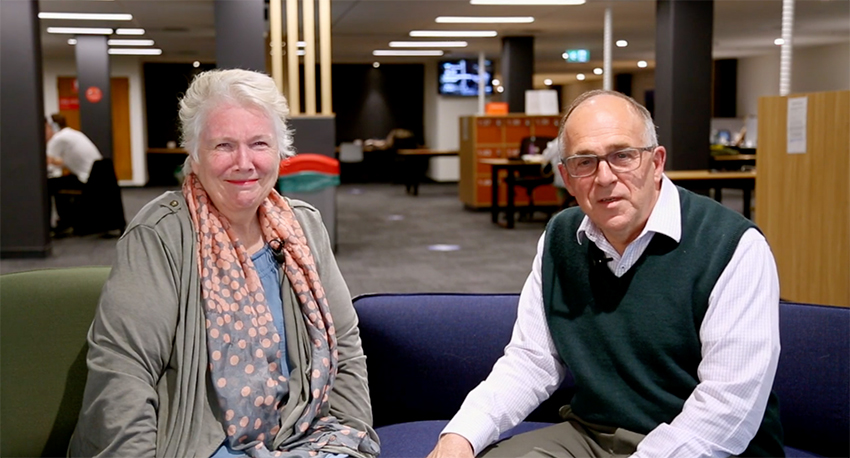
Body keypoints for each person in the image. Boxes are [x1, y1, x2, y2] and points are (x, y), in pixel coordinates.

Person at [427, 90, 783, 458]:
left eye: (623, 155)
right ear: (565, 176)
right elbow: (531, 360)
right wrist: (460, 436)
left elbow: (729, 408)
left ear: (656, 162)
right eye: (584, 162)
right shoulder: (560, 238)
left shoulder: (733, 245)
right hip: (592, 436)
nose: (605, 177)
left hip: (704, 447)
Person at [70, 69, 380, 458]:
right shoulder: (161, 234)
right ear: (194, 155)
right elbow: (123, 373)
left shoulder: (304, 226)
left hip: (303, 438)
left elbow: (345, 347)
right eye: (223, 146)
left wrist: (354, 436)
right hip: (197, 446)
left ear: (280, 154)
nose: (244, 162)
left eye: (259, 143)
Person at [45, 113, 103, 232]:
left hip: (85, 180)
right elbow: (62, 160)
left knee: (49, 185)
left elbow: (47, 161)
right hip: (96, 177)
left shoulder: (58, 138)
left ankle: (58, 224)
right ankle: (65, 220)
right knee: (59, 182)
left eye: (45, 128)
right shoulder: (73, 134)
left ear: (53, 127)